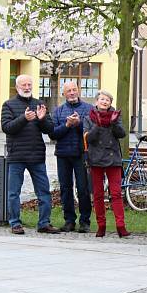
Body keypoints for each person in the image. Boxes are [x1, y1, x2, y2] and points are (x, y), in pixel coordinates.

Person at [1, 74, 59, 235]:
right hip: (16, 156)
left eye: (29, 85)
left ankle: (44, 223)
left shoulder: (39, 104)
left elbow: (49, 130)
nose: (27, 88)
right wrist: (24, 118)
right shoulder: (8, 105)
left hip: (36, 156)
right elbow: (7, 127)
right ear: (17, 87)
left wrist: (41, 119)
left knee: (44, 191)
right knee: (14, 192)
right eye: (23, 85)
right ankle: (15, 223)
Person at [84, 90, 130, 238]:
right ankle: (101, 225)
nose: (104, 102)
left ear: (110, 103)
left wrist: (114, 123)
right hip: (96, 159)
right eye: (102, 99)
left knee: (116, 193)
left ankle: (121, 226)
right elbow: (89, 139)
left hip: (113, 158)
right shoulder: (88, 117)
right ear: (97, 101)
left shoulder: (116, 116)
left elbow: (122, 134)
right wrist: (97, 125)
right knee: (98, 194)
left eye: (107, 100)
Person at [49, 81, 92, 233]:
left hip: (81, 154)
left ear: (78, 91)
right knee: (65, 188)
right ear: (64, 94)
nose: (72, 93)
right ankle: (69, 220)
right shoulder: (59, 111)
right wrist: (67, 125)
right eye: (69, 91)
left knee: (83, 188)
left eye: (74, 90)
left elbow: (92, 132)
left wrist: (79, 123)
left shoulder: (88, 109)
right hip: (63, 154)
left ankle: (85, 221)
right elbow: (53, 134)